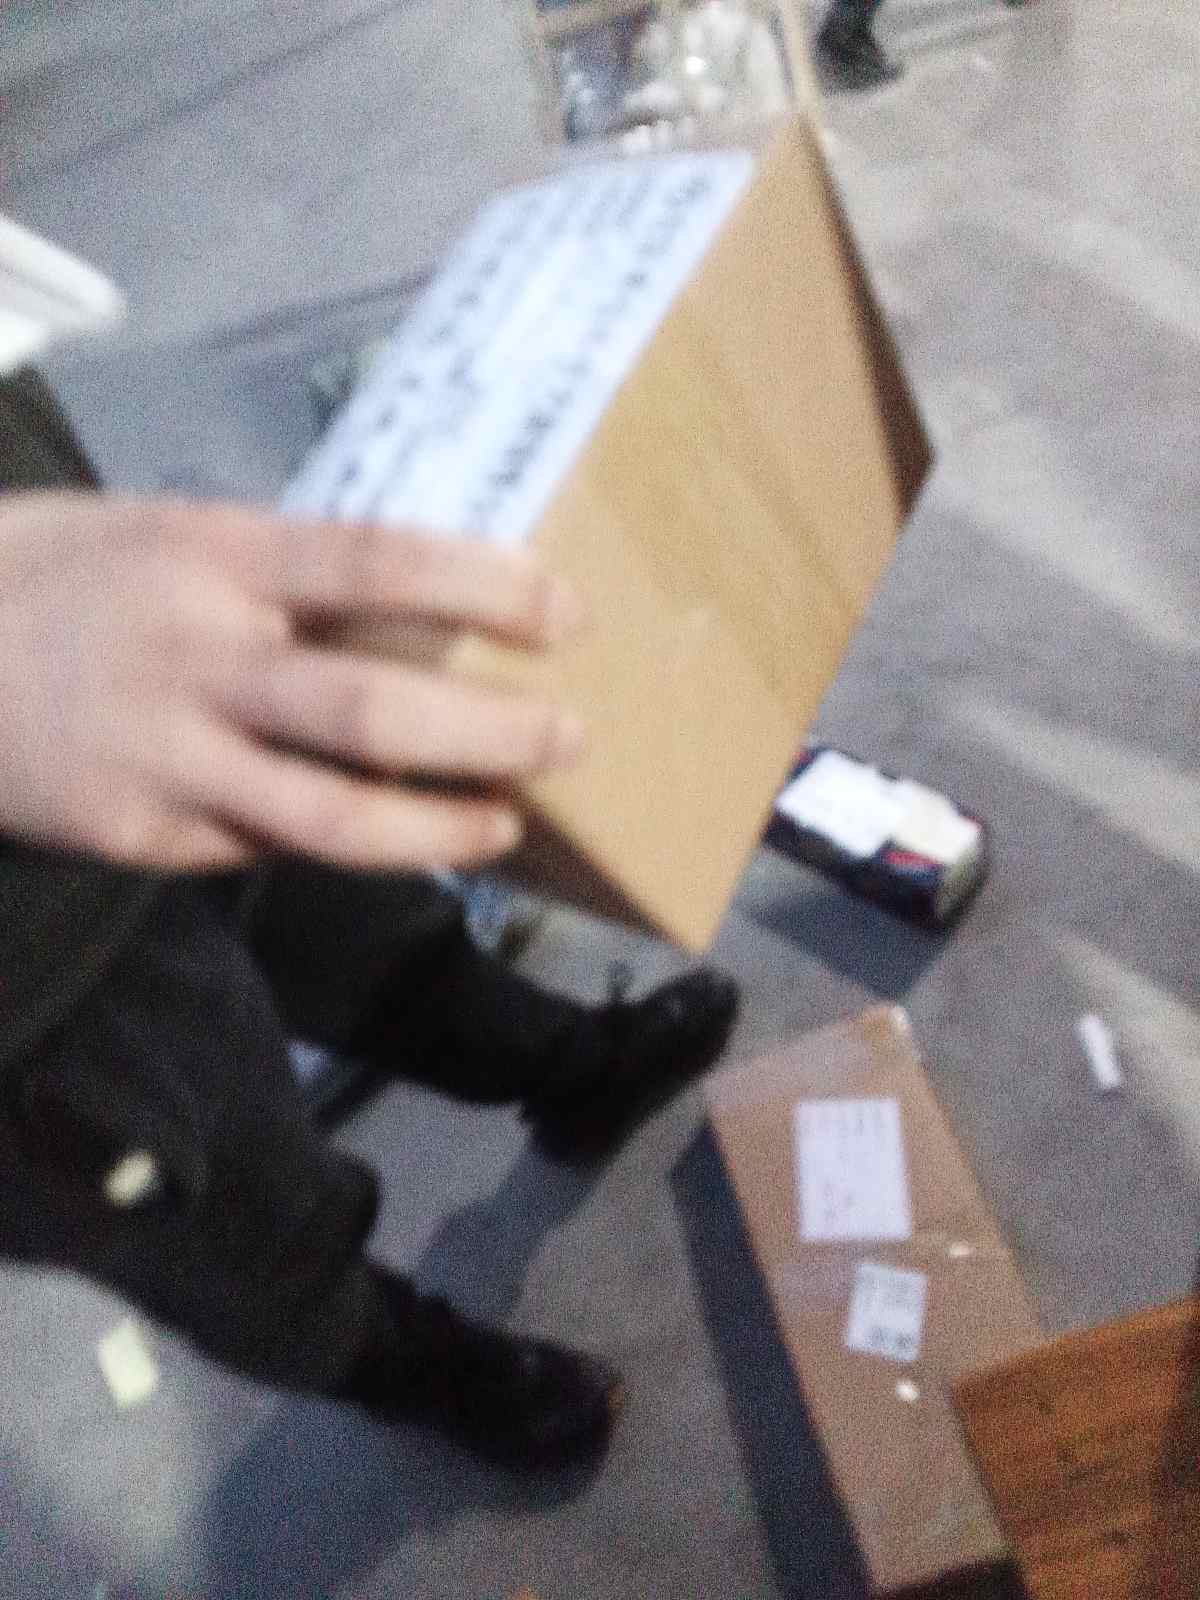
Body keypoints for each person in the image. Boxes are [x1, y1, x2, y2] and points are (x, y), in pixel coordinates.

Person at [0, 367, 739, 1471]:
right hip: (26, 988)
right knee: (232, 1219)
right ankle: (420, 1368)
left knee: (357, 921)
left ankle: (572, 1070)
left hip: (110, 643)